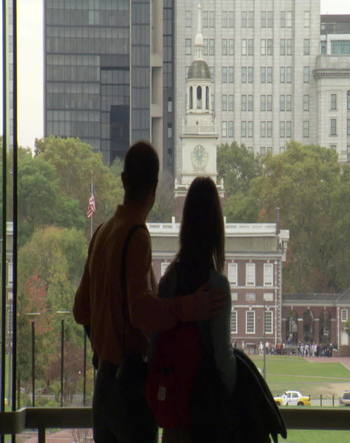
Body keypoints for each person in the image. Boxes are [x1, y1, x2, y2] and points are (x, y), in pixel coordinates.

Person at [73, 142, 225, 443]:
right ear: (154, 187)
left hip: (103, 384)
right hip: (129, 386)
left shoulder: (102, 232)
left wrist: (105, 343)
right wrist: (186, 307)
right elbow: (141, 311)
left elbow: (80, 310)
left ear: (123, 180)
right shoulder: (136, 235)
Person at [155, 177, 236, 443]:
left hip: (175, 413)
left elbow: (155, 344)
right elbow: (223, 359)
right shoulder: (216, 286)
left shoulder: (169, 280)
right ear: (216, 228)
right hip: (205, 417)